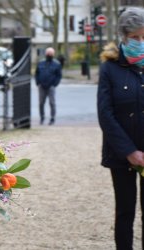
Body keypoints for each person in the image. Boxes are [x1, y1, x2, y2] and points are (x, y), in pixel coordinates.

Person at [97, 7, 144, 250]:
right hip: (121, 154)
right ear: (124, 37)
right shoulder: (109, 68)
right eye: (135, 37)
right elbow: (105, 114)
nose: (141, 42)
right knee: (125, 212)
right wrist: (129, 151)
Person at [35, 47, 62, 125]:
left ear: (53, 54)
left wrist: (55, 84)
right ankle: (42, 117)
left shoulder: (57, 64)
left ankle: (52, 118)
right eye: (48, 53)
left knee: (52, 103)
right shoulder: (41, 63)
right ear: (45, 54)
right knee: (41, 103)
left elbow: (59, 75)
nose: (49, 54)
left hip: (51, 86)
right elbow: (36, 73)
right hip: (41, 86)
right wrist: (38, 83)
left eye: (51, 53)